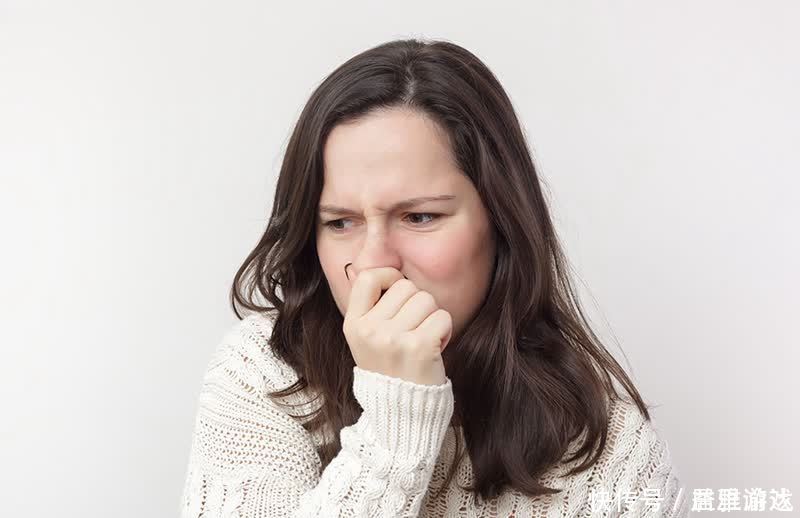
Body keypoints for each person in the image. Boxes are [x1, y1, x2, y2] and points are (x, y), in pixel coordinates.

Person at [179, 38, 689, 517]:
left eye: (419, 217)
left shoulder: (611, 455)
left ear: (502, 222)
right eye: (340, 223)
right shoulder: (265, 376)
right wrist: (397, 418)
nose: (377, 264)